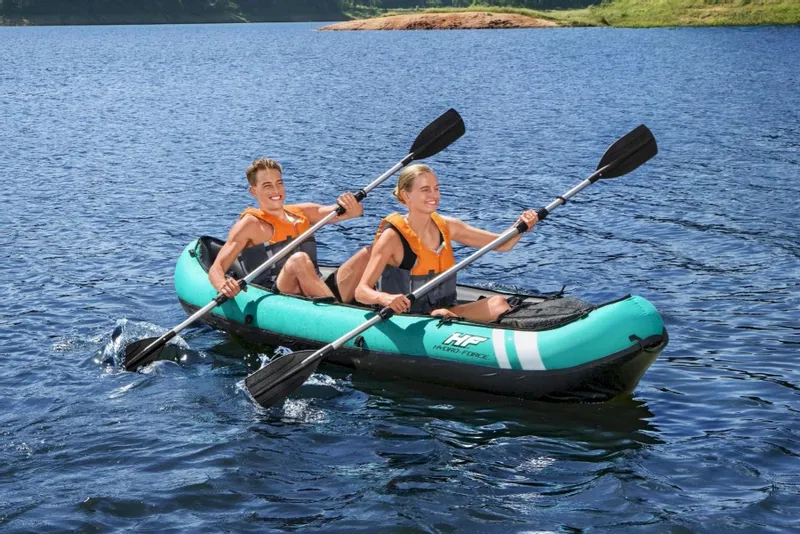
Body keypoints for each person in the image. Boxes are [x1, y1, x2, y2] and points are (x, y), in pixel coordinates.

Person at [354, 164, 537, 323]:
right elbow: (361, 292)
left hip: (447, 310)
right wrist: (385, 299)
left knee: (498, 303)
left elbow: (502, 244)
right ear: (406, 195)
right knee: (442, 314)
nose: (434, 195)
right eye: (425, 190)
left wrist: (520, 226)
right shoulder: (392, 238)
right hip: (409, 318)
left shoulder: (449, 226)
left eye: (436, 189)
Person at [209, 157, 370, 302]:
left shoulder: (303, 212)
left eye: (279, 183)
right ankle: (336, 313)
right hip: (276, 295)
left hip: (317, 285)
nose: (276, 190)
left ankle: (368, 301)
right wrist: (223, 285)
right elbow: (217, 269)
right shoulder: (250, 224)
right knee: (298, 260)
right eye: (267, 185)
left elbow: (353, 213)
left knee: (368, 253)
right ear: (254, 191)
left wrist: (351, 204)